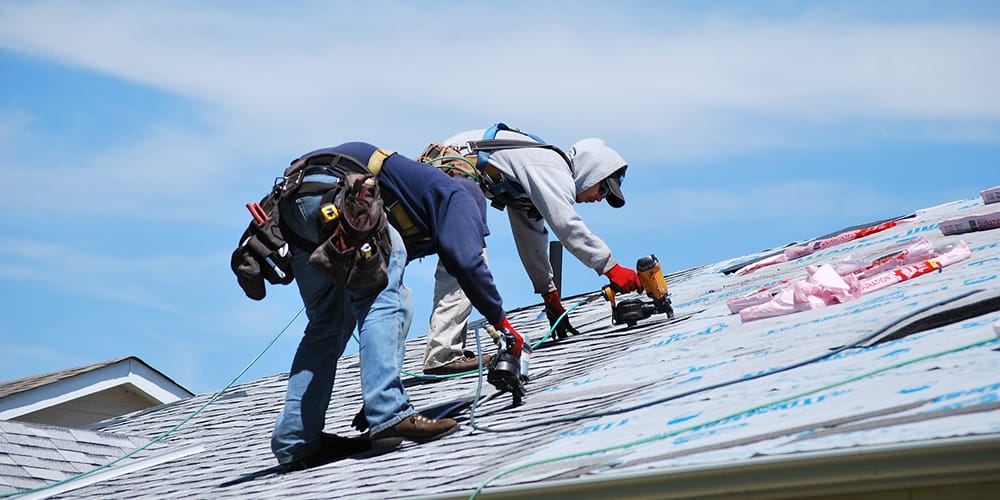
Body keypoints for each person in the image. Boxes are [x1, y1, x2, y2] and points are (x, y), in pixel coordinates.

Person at [270, 142, 527, 471]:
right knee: (382, 296)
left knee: (328, 324)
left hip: (294, 202)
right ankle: (389, 412)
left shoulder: (412, 199)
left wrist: (382, 373)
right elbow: (465, 259)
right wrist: (502, 323)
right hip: (336, 194)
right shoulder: (460, 195)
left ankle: (296, 442)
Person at [420, 125, 640, 376]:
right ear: (591, 173)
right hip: (448, 177)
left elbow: (531, 239)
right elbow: (567, 225)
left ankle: (445, 350)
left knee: (463, 261)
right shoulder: (551, 169)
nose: (600, 198)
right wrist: (611, 268)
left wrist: (550, 295)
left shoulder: (537, 180)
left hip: (448, 179)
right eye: (602, 189)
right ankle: (443, 355)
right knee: (468, 261)